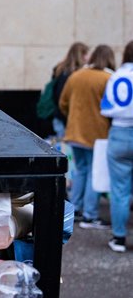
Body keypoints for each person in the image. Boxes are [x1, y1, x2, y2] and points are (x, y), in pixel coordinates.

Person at [59, 45, 116, 229]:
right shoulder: (108, 78)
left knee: (81, 171)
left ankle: (74, 211)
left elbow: (63, 102)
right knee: (93, 172)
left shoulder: (76, 76)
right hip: (97, 134)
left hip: (75, 131)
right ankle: (90, 215)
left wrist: (73, 118)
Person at [100, 41, 133, 252]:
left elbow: (106, 108)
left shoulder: (116, 76)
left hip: (119, 133)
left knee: (119, 191)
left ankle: (119, 237)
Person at [51, 42, 90, 139]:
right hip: (67, 119)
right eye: (86, 54)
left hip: (60, 118)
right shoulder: (72, 74)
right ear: (80, 55)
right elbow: (62, 98)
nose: (88, 58)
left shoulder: (61, 70)